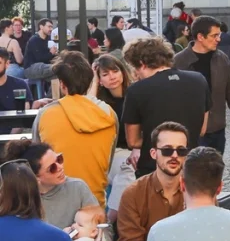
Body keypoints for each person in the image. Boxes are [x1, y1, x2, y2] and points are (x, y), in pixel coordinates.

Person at [32, 51, 118, 207]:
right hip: (95, 204)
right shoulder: (109, 114)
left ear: (62, 84)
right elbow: (108, 162)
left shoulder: (46, 115)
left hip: (54, 208)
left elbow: (35, 163)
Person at [122, 36, 210, 175]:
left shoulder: (137, 90)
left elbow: (133, 141)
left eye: (134, 69)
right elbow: (202, 129)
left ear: (142, 64)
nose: (135, 74)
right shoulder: (199, 80)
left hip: (154, 168)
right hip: (190, 167)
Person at [117, 122, 189, 241]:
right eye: (167, 150)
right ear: (153, 153)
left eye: (181, 151)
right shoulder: (133, 194)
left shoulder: (199, 191)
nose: (174, 155)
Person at [173, 15, 230, 156]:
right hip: (189, 129)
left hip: (217, 127)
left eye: (219, 35)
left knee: (215, 169)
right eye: (214, 35)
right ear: (200, 37)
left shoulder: (221, 58)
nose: (219, 39)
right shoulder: (179, 61)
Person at [2, 138, 97, 229]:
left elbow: (100, 224)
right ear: (36, 177)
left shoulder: (78, 188)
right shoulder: (19, 198)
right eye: (52, 168)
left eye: (59, 159)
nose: (60, 167)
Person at [93, 54, 136, 220]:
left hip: (135, 149)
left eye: (115, 71)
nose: (112, 77)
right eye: (105, 74)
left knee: (129, 168)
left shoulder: (135, 94)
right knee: (128, 167)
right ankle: (112, 217)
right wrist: (94, 82)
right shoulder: (99, 103)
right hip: (112, 152)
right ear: (99, 80)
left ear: (122, 72)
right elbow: (88, 105)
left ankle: (112, 215)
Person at [0, 48, 31, 130]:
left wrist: (9, 139)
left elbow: (23, 116)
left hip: (13, 137)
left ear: (7, 64)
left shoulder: (19, 85)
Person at [23, 17, 57, 82]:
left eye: (52, 27)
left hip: (44, 68)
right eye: (49, 27)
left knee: (58, 77)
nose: (51, 29)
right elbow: (39, 58)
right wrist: (51, 53)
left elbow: (48, 57)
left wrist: (55, 54)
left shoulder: (49, 39)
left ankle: (51, 92)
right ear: (41, 27)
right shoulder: (34, 40)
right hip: (31, 68)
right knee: (57, 67)